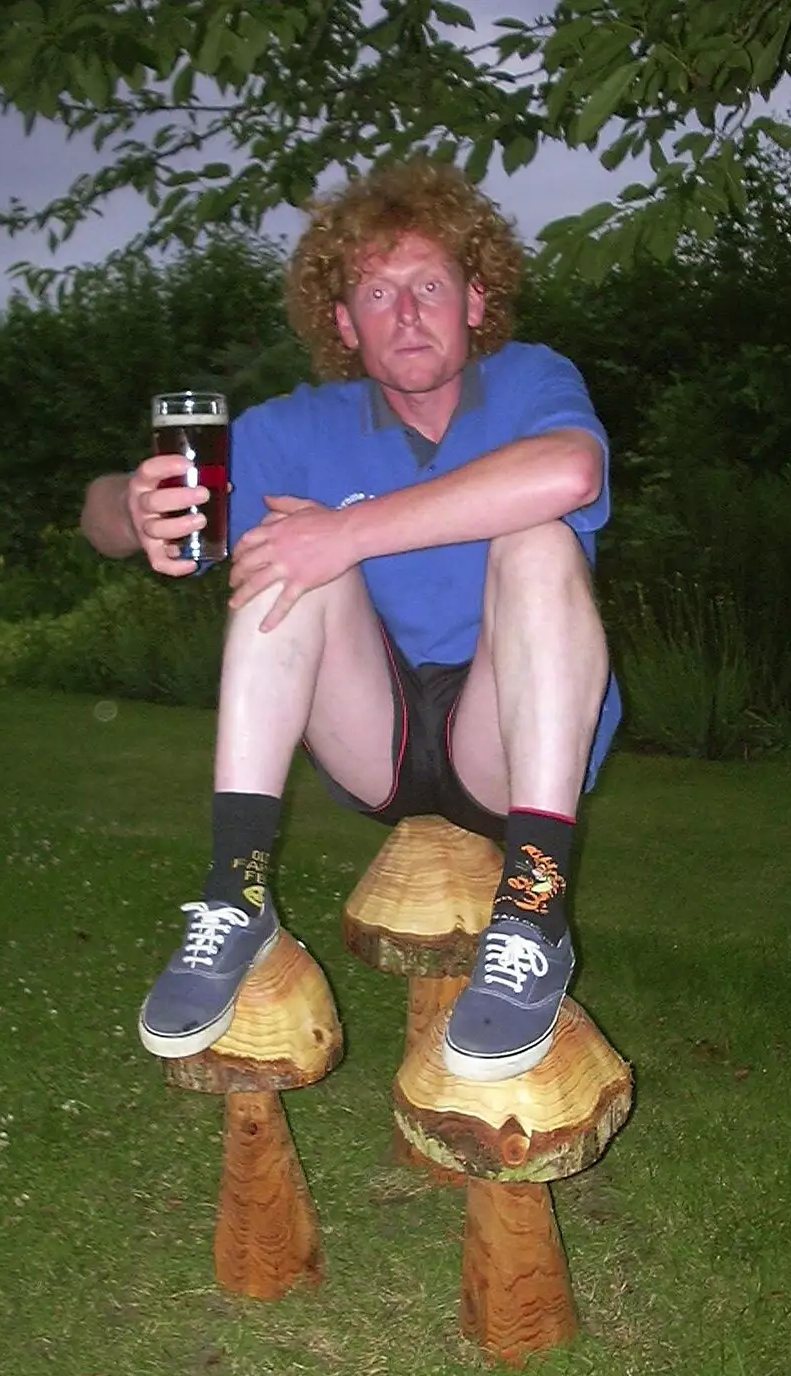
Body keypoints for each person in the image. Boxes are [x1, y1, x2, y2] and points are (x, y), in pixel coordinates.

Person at [80, 160, 620, 1083]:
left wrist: (348, 532)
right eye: (376, 292)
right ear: (343, 323)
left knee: (536, 542)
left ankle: (534, 909)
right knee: (289, 549)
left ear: (475, 302)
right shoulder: (301, 425)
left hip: (510, 740)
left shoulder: (533, 379)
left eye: (428, 286)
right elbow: (99, 514)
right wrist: (130, 515)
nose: (405, 313)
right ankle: (236, 895)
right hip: (375, 734)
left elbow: (569, 475)